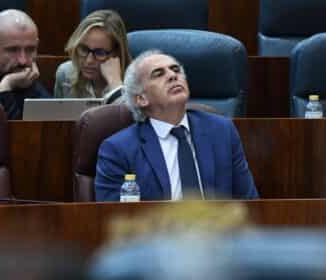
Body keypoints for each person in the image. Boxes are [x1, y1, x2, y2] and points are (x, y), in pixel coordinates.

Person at [95, 50, 258, 201]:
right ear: (141, 99)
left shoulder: (221, 131)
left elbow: (248, 202)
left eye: (176, 70)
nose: (173, 75)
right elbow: (114, 218)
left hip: (218, 230)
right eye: (158, 74)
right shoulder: (118, 149)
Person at [54, 9, 132, 104]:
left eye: (99, 53)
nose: (89, 61)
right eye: (83, 49)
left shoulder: (135, 82)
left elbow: (129, 117)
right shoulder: (65, 74)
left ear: (117, 53)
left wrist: (115, 85)